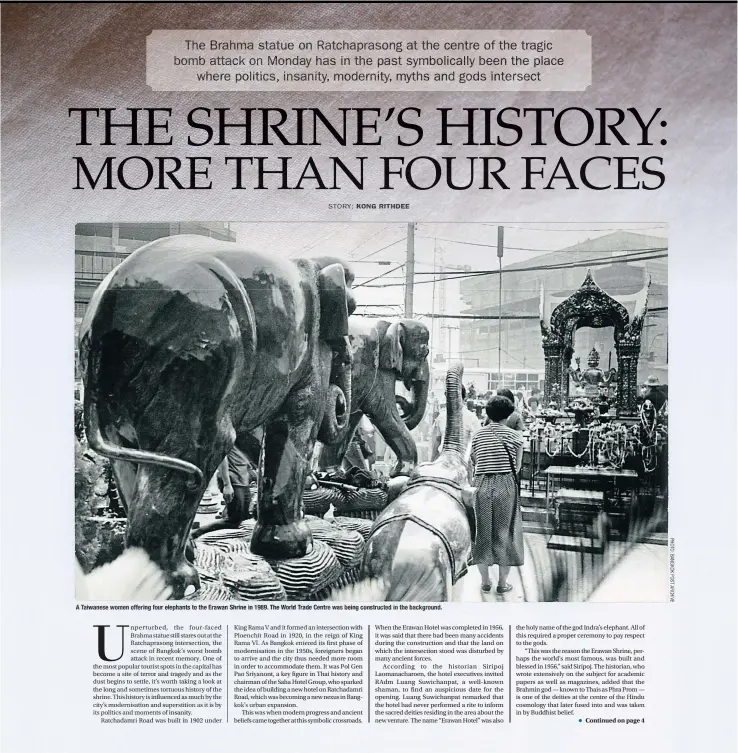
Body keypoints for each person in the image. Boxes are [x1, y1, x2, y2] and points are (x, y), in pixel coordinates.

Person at [469, 396, 524, 595]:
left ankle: (485, 582)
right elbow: (517, 467)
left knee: (482, 534)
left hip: (481, 485)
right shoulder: (515, 437)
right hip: (505, 485)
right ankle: (502, 584)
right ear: (508, 415)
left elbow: (474, 461)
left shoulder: (477, 436)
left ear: (488, 413)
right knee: (505, 533)